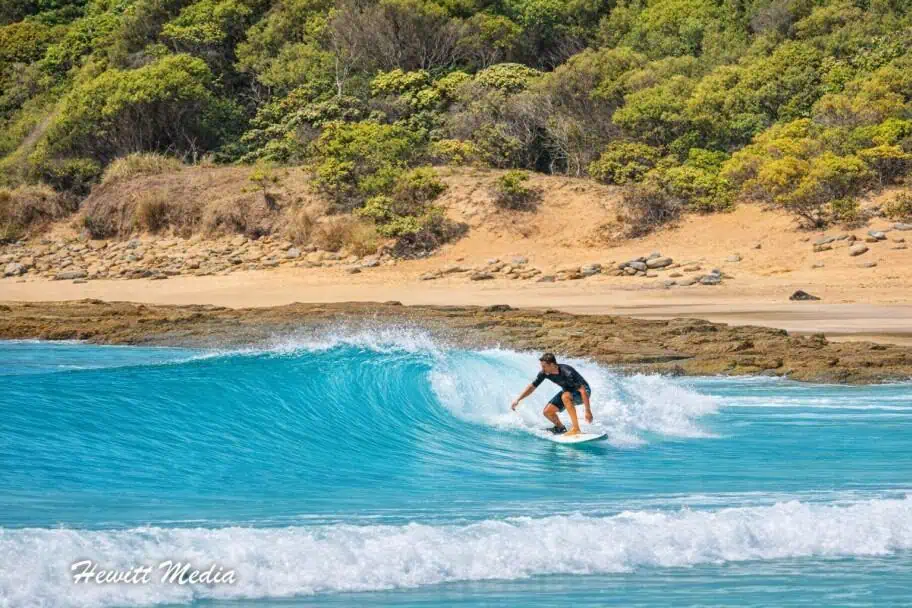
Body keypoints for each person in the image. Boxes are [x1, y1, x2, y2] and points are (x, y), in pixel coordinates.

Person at [510, 353, 593, 436]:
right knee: (547, 412)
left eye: (544, 366)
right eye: (541, 366)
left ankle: (576, 429)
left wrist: (588, 411)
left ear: (552, 365)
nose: (542, 369)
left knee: (565, 396)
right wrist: (518, 399)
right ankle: (560, 428)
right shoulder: (544, 373)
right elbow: (532, 387)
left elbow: (583, 391)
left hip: (583, 393)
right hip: (568, 392)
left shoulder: (567, 372)